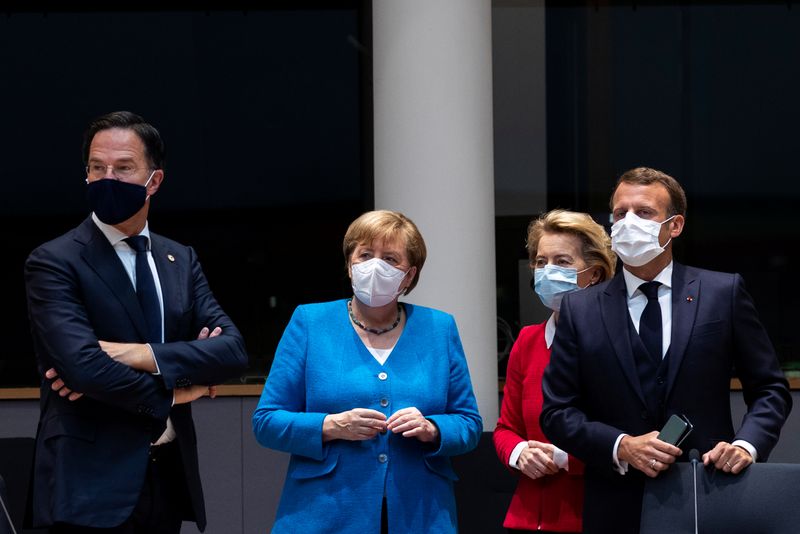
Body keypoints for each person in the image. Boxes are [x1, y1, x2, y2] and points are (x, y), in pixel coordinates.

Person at [24, 111, 248, 533]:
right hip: (87, 487)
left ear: (155, 181)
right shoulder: (54, 261)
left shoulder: (180, 259)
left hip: (166, 475)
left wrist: (139, 354)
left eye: (124, 168)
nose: (108, 178)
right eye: (97, 167)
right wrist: (181, 391)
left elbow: (232, 351)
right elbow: (83, 367)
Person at [540, 167, 793, 534]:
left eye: (643, 213)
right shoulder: (581, 309)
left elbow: (770, 389)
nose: (628, 222)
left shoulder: (722, 293)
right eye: (619, 213)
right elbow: (557, 411)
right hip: (615, 502)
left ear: (675, 226)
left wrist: (746, 445)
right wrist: (620, 445)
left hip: (707, 491)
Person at [252, 209, 482, 533]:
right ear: (349, 264)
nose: (376, 266)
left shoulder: (439, 328)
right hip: (323, 513)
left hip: (420, 513)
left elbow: (469, 423)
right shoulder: (310, 322)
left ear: (409, 275)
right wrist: (331, 425)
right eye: (365, 254)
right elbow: (266, 422)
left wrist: (432, 428)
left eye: (390, 259)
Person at [493, 210, 615, 533]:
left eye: (562, 262)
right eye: (541, 262)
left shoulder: (619, 341)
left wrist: (565, 457)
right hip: (526, 516)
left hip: (592, 514)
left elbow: (626, 438)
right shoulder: (527, 340)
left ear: (595, 274)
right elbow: (506, 429)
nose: (548, 271)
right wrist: (520, 453)